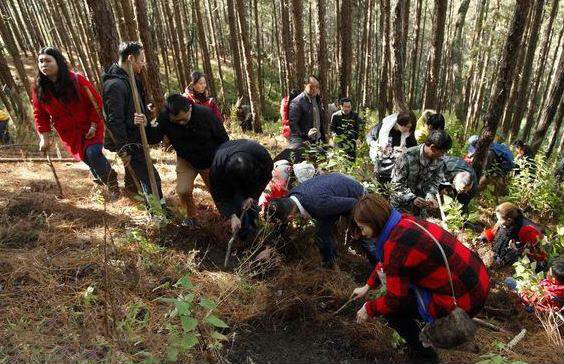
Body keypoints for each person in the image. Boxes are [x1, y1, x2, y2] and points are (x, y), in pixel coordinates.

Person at [351, 194, 490, 363]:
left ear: (375, 222)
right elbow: (388, 261)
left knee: (393, 312)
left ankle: (426, 357)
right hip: (478, 280)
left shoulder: (395, 244)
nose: (362, 233)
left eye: (363, 227)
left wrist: (369, 308)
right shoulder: (402, 222)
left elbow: (395, 300)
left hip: (465, 298)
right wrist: (368, 285)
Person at [32, 47, 118, 195]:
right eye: (41, 61)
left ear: (58, 62)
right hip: (69, 133)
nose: (44, 64)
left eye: (48, 60)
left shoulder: (76, 79)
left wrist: (93, 125)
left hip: (90, 125)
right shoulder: (38, 88)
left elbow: (96, 102)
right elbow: (40, 114)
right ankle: (101, 179)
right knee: (87, 159)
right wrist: (43, 138)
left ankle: (113, 185)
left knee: (93, 153)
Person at [266, 173, 377, 268]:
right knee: (322, 234)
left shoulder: (318, 205)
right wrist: (268, 246)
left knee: (365, 239)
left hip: (357, 196)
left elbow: (353, 204)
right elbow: (281, 223)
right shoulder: (291, 196)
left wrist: (355, 227)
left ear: (290, 217)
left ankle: (382, 269)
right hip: (335, 194)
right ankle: (331, 264)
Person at [151, 94, 228, 227]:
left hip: (209, 160)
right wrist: (146, 123)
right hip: (185, 159)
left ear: (190, 108)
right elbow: (153, 137)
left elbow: (223, 138)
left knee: (218, 191)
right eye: (177, 121)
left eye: (184, 119)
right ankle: (191, 216)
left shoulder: (205, 114)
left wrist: (222, 160)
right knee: (183, 190)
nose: (181, 123)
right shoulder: (164, 118)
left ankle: (227, 216)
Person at [102, 42, 164, 201]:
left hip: (137, 136)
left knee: (136, 176)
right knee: (152, 179)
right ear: (130, 59)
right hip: (131, 142)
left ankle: (134, 195)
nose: (144, 64)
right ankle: (158, 212)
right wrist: (124, 149)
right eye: (141, 60)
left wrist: (145, 112)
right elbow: (115, 120)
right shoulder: (114, 85)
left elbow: (131, 107)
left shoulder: (131, 78)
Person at [210, 139, 273, 241]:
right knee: (238, 203)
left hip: (252, 178)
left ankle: (256, 232)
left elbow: (266, 176)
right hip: (228, 176)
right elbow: (219, 194)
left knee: (251, 205)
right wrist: (232, 215)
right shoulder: (218, 166)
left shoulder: (262, 157)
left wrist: (252, 196)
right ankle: (244, 237)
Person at [390, 130, 451, 216]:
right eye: (442, 152)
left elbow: (435, 183)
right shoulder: (406, 157)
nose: (443, 155)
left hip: (419, 210)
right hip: (400, 208)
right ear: (433, 148)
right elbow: (396, 186)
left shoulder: (439, 161)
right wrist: (412, 198)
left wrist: (430, 197)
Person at [480, 202, 546, 267]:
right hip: (501, 254)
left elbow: (531, 252)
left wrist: (515, 249)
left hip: (523, 262)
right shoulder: (504, 222)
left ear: (509, 220)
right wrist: (485, 236)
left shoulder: (525, 230)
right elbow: (493, 231)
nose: (498, 221)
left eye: (499, 219)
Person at [366, 111, 417, 183]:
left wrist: (404, 151)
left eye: (410, 127)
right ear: (400, 123)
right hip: (381, 165)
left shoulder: (408, 133)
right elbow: (369, 137)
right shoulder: (384, 125)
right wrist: (377, 146)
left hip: (398, 170)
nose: (408, 130)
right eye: (407, 126)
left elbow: (414, 149)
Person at [288, 75, 327, 146]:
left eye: (317, 86)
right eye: (312, 86)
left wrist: (323, 139)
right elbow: (293, 124)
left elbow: (320, 121)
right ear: (305, 85)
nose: (315, 89)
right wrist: (305, 134)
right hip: (303, 142)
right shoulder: (297, 102)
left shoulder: (317, 100)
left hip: (318, 141)